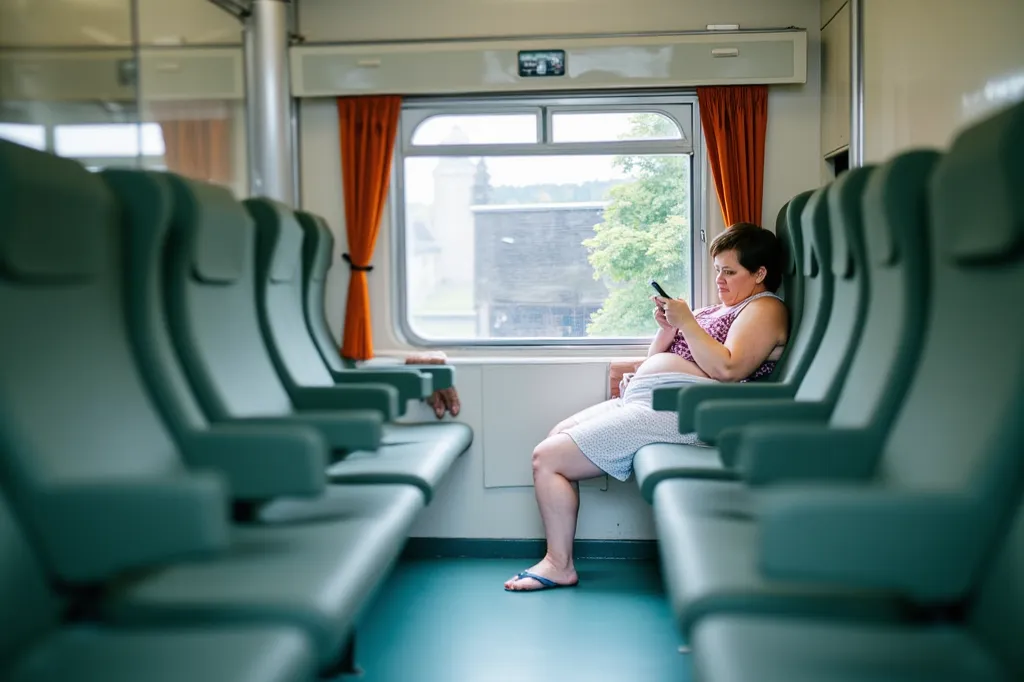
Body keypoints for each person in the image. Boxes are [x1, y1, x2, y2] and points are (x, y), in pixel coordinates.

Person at [504, 223, 789, 592]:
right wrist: (669, 330)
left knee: (548, 458)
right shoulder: (722, 309)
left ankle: (559, 564)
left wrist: (687, 321)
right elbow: (658, 360)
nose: (719, 279)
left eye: (729, 271)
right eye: (717, 269)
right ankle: (559, 559)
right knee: (556, 438)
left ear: (760, 274)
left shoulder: (764, 308)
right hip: (650, 400)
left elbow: (729, 369)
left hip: (688, 411)